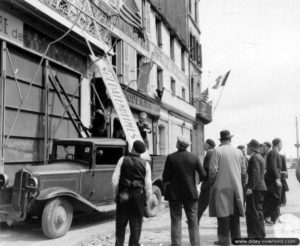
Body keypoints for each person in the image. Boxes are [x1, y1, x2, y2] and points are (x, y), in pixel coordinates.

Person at [163, 135, 206, 246]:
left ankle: (176, 244)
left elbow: (165, 176)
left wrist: (169, 184)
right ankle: (195, 244)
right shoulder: (194, 157)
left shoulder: (171, 157)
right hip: (191, 193)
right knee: (193, 221)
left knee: (176, 220)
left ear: (178, 144)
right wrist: (197, 184)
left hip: (174, 194)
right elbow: (204, 174)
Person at [112, 140, 152, 246]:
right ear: (141, 152)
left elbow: (114, 180)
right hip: (139, 195)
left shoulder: (122, 160)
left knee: (121, 223)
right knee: (136, 224)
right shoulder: (146, 164)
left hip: (124, 194)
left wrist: (116, 194)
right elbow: (148, 186)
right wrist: (147, 200)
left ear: (132, 148)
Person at [209, 130, 245, 246]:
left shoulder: (217, 150)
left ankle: (224, 241)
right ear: (230, 139)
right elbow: (243, 171)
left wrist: (213, 183)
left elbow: (212, 171)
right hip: (235, 188)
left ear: (221, 140)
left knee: (223, 216)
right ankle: (237, 240)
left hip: (221, 188)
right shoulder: (239, 152)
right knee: (235, 216)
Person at [245, 139, 267, 238]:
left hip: (255, 188)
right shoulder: (260, 157)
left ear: (251, 148)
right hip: (261, 187)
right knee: (258, 211)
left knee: (252, 211)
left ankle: (255, 235)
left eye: (248, 147)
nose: (246, 149)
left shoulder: (254, 158)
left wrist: (250, 187)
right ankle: (261, 234)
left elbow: (255, 174)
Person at [263, 138, 282, 225]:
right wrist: (277, 178)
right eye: (281, 144)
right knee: (275, 199)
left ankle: (274, 218)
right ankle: (266, 215)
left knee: (274, 199)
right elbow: (272, 166)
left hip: (272, 180)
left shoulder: (273, 152)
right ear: (279, 144)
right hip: (273, 181)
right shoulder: (274, 152)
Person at [198, 139, 216, 223]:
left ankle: (195, 220)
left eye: (205, 143)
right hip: (210, 182)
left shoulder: (209, 153)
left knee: (202, 203)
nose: (203, 144)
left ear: (208, 145)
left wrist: (202, 179)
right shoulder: (213, 153)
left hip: (207, 183)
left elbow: (208, 168)